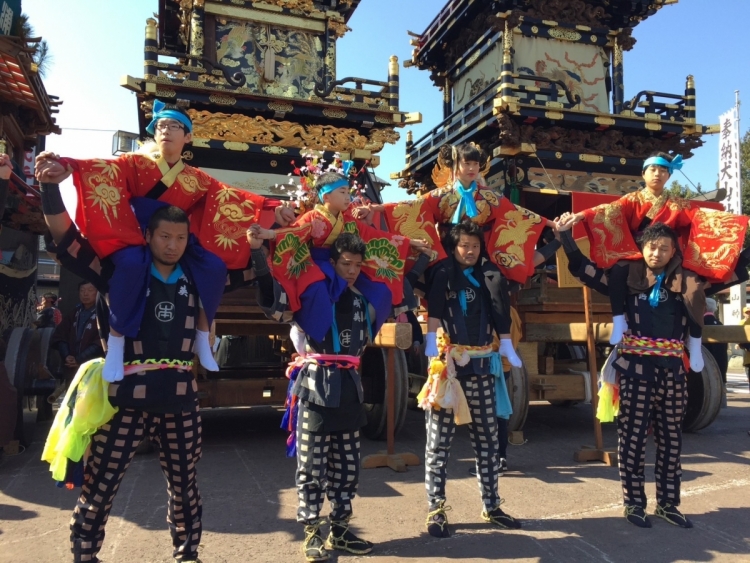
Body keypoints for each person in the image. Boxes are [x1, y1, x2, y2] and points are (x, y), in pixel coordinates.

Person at [35, 101, 295, 381]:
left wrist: (274, 207)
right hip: (139, 236)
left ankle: (203, 333)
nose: (166, 131)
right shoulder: (132, 163)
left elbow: (234, 197)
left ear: (188, 136)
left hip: (179, 238)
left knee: (215, 268)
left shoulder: (196, 178)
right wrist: (66, 166)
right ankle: (116, 342)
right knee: (130, 267)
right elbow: (98, 169)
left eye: (174, 126)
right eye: (161, 126)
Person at [41, 195, 207, 561]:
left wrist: (259, 247)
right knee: (99, 485)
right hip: (124, 399)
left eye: (180, 238)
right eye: (164, 237)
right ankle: (84, 555)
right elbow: (69, 243)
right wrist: (49, 188)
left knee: (185, 487)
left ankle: (187, 554)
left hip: (180, 400)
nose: (172, 245)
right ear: (148, 235)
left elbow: (246, 268)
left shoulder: (197, 276)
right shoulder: (119, 271)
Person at [249, 230, 431, 562]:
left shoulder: (365, 301)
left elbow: (397, 284)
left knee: (347, 468)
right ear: (332, 264)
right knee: (312, 468)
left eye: (357, 265)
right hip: (315, 389)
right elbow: (273, 300)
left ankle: (341, 530)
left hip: (349, 388)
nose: (351, 271)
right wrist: (258, 253)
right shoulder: (313, 295)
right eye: (345, 264)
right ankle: (311, 532)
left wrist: (419, 256)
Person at [559, 220, 750, 529]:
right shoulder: (625, 278)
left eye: (664, 248)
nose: (657, 253)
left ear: (674, 251)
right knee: (632, 439)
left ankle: (668, 504)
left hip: (673, 371)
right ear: (641, 248)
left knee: (671, 441)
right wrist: (565, 238)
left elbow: (732, 271)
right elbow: (585, 269)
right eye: (651, 247)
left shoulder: (688, 281)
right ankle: (634, 503)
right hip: (635, 370)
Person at [559, 152, 749, 354]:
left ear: (669, 176)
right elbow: (606, 210)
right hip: (640, 255)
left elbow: (703, 218)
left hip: (671, 259)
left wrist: (741, 223)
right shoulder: (632, 199)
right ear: (643, 174)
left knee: (693, 287)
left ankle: (694, 338)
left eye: (663, 170)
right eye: (653, 169)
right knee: (617, 272)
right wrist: (579, 216)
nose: (658, 174)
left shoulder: (678, 204)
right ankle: (618, 319)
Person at [419, 220, 521, 538]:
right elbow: (429, 305)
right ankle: (436, 509)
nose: (470, 250)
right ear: (453, 246)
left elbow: (502, 309)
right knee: (438, 445)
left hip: (482, 371)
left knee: (488, 443)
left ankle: (491, 505)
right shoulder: (441, 275)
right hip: (447, 371)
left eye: (475, 245)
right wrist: (429, 343)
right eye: (464, 245)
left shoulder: (489, 277)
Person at [251, 170, 424, 343]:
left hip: (345, 264)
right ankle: (301, 328)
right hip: (317, 265)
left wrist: (408, 242)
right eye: (342, 192)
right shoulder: (313, 217)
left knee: (381, 290)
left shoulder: (348, 220)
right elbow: (295, 231)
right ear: (326, 197)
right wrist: (268, 234)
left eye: (348, 192)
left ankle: (361, 334)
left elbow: (372, 235)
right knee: (316, 288)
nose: (348, 197)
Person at [357, 142, 554, 285]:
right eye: (466, 164)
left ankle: (504, 339)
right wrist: (375, 208)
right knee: (439, 279)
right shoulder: (442, 194)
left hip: (479, 250)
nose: (471, 168)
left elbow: (516, 212)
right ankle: (436, 333)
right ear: (456, 166)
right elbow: (412, 205)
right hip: (449, 247)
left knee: (497, 281)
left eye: (475, 164)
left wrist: (552, 224)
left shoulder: (489, 196)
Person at [51, 282, 103, 385]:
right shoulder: (74, 313)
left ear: (97, 292)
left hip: (94, 367)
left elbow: (101, 341)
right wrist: (67, 356)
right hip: (71, 367)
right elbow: (60, 336)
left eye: (90, 290)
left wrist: (80, 358)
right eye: (82, 290)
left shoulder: (103, 313)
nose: (85, 294)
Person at [703, 298, 728, 388]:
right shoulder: (720, 324)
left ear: (704, 307)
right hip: (721, 368)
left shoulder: (701, 324)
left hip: (706, 371)